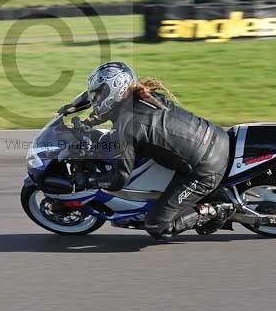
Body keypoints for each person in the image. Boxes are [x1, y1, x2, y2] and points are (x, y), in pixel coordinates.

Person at [82, 61, 233, 240]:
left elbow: (118, 180)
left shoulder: (127, 127)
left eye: (99, 93)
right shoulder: (143, 95)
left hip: (205, 168)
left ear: (114, 91)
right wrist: (79, 112)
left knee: (157, 225)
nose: (95, 99)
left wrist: (90, 180)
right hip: (217, 137)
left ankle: (215, 210)